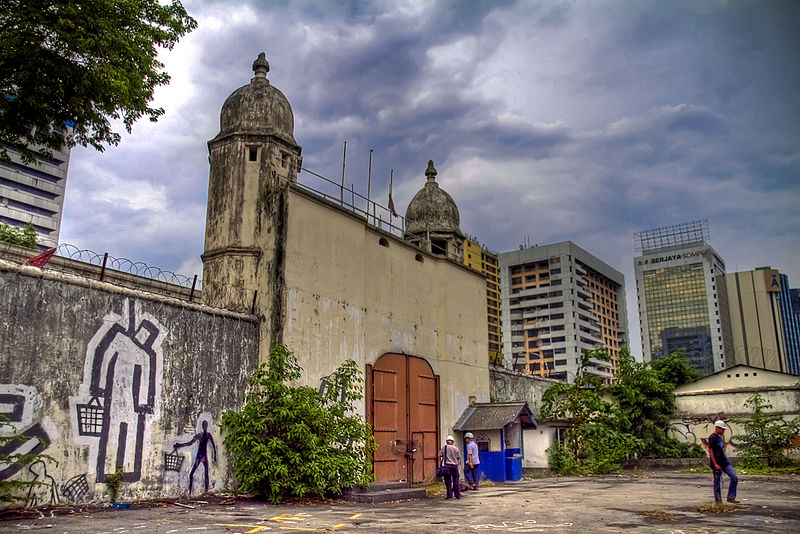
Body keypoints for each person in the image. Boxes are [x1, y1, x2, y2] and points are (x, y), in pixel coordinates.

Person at [707, 419, 739, 504]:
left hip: (725, 462)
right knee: (717, 483)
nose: (723, 430)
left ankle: (731, 497)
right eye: (722, 429)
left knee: (734, 477)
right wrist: (715, 464)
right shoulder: (712, 437)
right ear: (717, 428)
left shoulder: (719, 437)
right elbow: (711, 451)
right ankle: (718, 502)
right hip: (717, 464)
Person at [439, 435, 461, 499]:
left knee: (448, 481)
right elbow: (458, 458)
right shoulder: (456, 449)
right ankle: (457, 495)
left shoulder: (444, 448)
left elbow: (440, 455)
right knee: (456, 480)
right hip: (454, 466)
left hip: (447, 466)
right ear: (453, 442)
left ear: (446, 441)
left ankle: (449, 495)